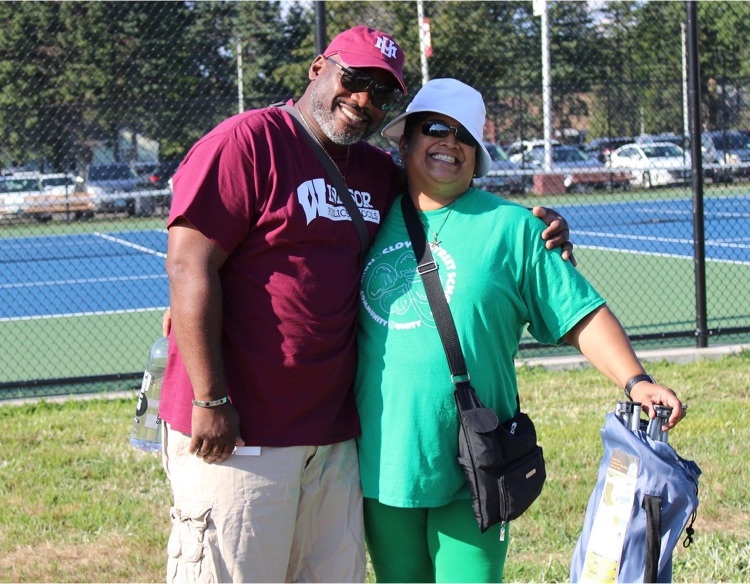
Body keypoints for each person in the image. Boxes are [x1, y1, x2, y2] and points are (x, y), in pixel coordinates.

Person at [159, 25, 573, 583]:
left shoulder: (379, 173)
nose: (363, 102)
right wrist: (210, 399)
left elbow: (446, 185)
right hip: (240, 433)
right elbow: (190, 265)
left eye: (382, 95)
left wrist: (534, 227)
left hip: (334, 440)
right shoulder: (247, 143)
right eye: (353, 81)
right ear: (317, 69)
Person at [354, 78, 687, 583]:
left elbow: (581, 314)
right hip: (383, 462)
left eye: (464, 136)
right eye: (435, 128)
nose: (450, 143)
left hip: (476, 461)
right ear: (405, 141)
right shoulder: (367, 219)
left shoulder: (515, 228)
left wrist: (636, 381)